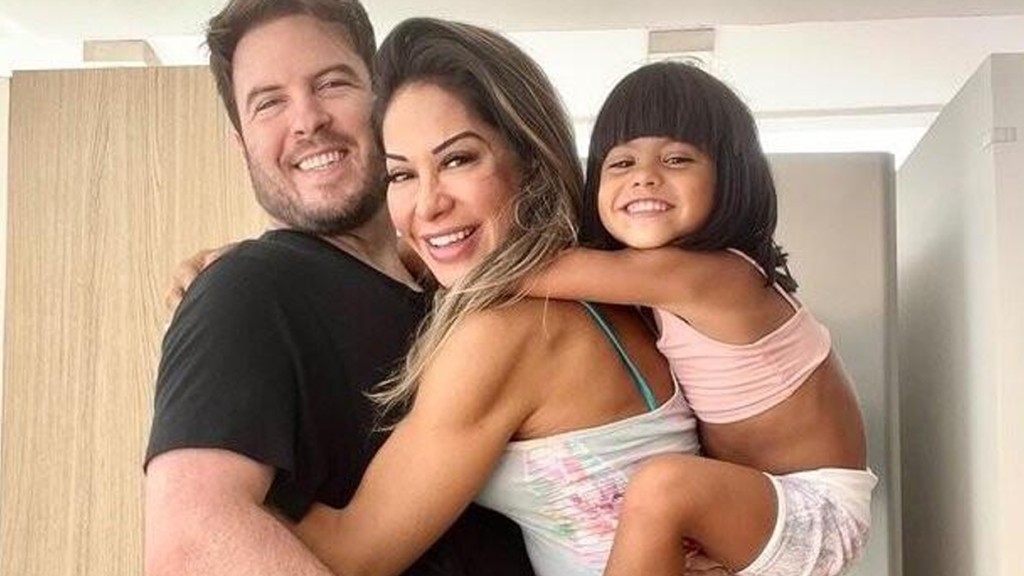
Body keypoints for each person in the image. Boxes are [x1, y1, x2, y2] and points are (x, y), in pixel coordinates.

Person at [270, 17, 724, 576]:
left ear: (529, 160)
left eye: (458, 159)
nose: (428, 204)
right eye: (402, 175)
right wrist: (264, 259)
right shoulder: (600, 288)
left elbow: (352, 555)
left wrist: (221, 467)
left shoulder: (507, 333)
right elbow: (420, 251)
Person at [143, 2, 536, 575]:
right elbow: (192, 547)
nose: (307, 120)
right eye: (269, 102)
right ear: (242, 143)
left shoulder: (451, 282)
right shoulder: (245, 291)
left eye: (331, 83)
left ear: (383, 101)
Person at [524, 61, 877, 576]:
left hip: (816, 512)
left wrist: (422, 254)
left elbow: (528, 272)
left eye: (676, 158)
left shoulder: (714, 276)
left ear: (729, 177)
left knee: (662, 485)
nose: (644, 175)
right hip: (753, 503)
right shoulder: (657, 289)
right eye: (620, 163)